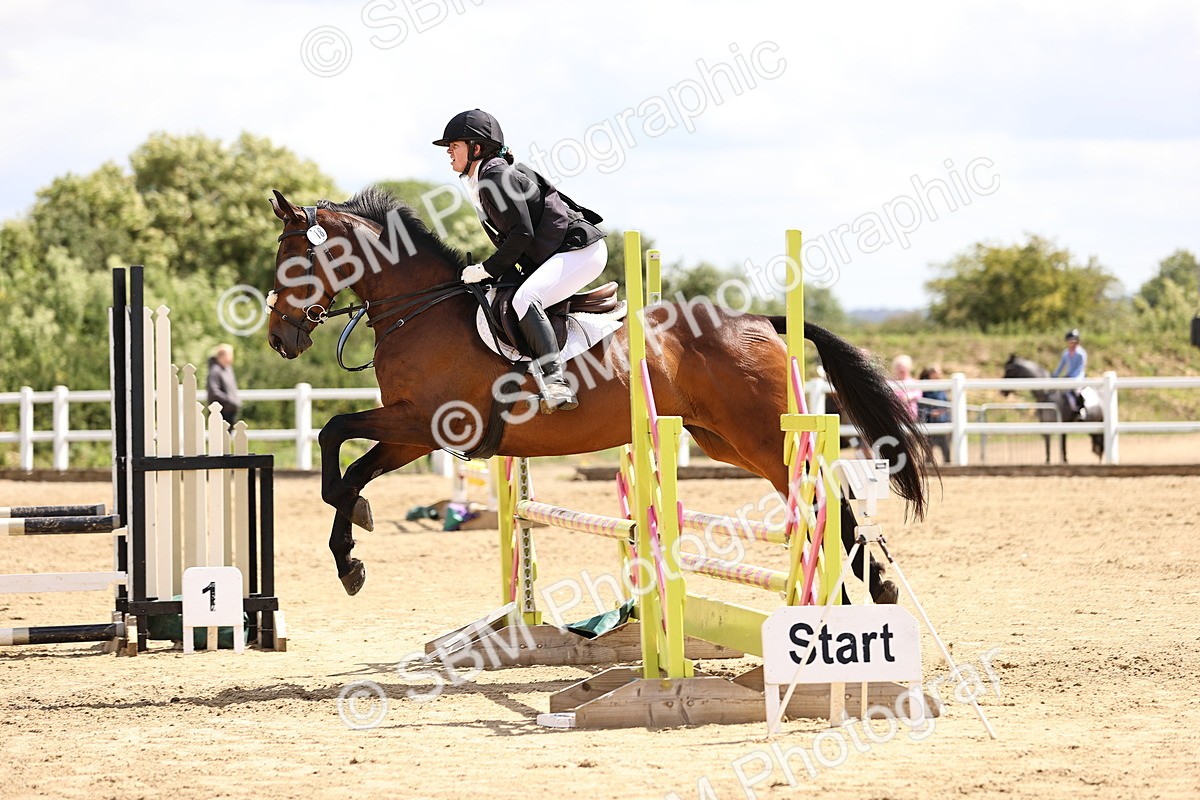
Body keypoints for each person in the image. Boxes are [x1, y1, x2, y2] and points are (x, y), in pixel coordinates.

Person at [433, 109, 607, 414]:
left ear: (476, 148)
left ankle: (556, 382)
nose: (448, 151)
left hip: (579, 251)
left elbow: (522, 233)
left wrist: (487, 268)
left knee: (527, 298)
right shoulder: (486, 177)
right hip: (557, 252)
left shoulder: (495, 177)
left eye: (454, 145)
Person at [1051, 329, 1088, 419]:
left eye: (1074, 341)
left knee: (1076, 390)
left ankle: (1080, 409)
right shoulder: (1066, 353)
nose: (1072, 343)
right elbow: (1061, 366)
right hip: (1069, 376)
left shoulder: (1081, 353)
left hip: (1078, 376)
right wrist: (1054, 375)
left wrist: (1072, 377)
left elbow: (1079, 368)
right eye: (1070, 341)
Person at [918, 365, 951, 462]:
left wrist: (943, 411)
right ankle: (929, 466)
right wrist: (930, 412)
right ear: (931, 374)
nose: (940, 374)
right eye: (938, 372)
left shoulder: (942, 388)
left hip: (942, 420)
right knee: (929, 447)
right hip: (929, 421)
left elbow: (946, 403)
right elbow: (921, 405)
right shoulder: (924, 388)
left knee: (945, 447)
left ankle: (948, 464)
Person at [206, 343, 241, 427]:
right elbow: (214, 392)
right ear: (222, 356)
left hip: (229, 412)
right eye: (230, 355)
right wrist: (230, 401)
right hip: (221, 412)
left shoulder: (227, 369)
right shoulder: (215, 371)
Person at [890, 354, 921, 420]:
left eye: (904, 367)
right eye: (899, 367)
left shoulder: (913, 382)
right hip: (894, 415)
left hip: (910, 415)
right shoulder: (890, 382)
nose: (902, 369)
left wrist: (909, 396)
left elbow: (918, 394)